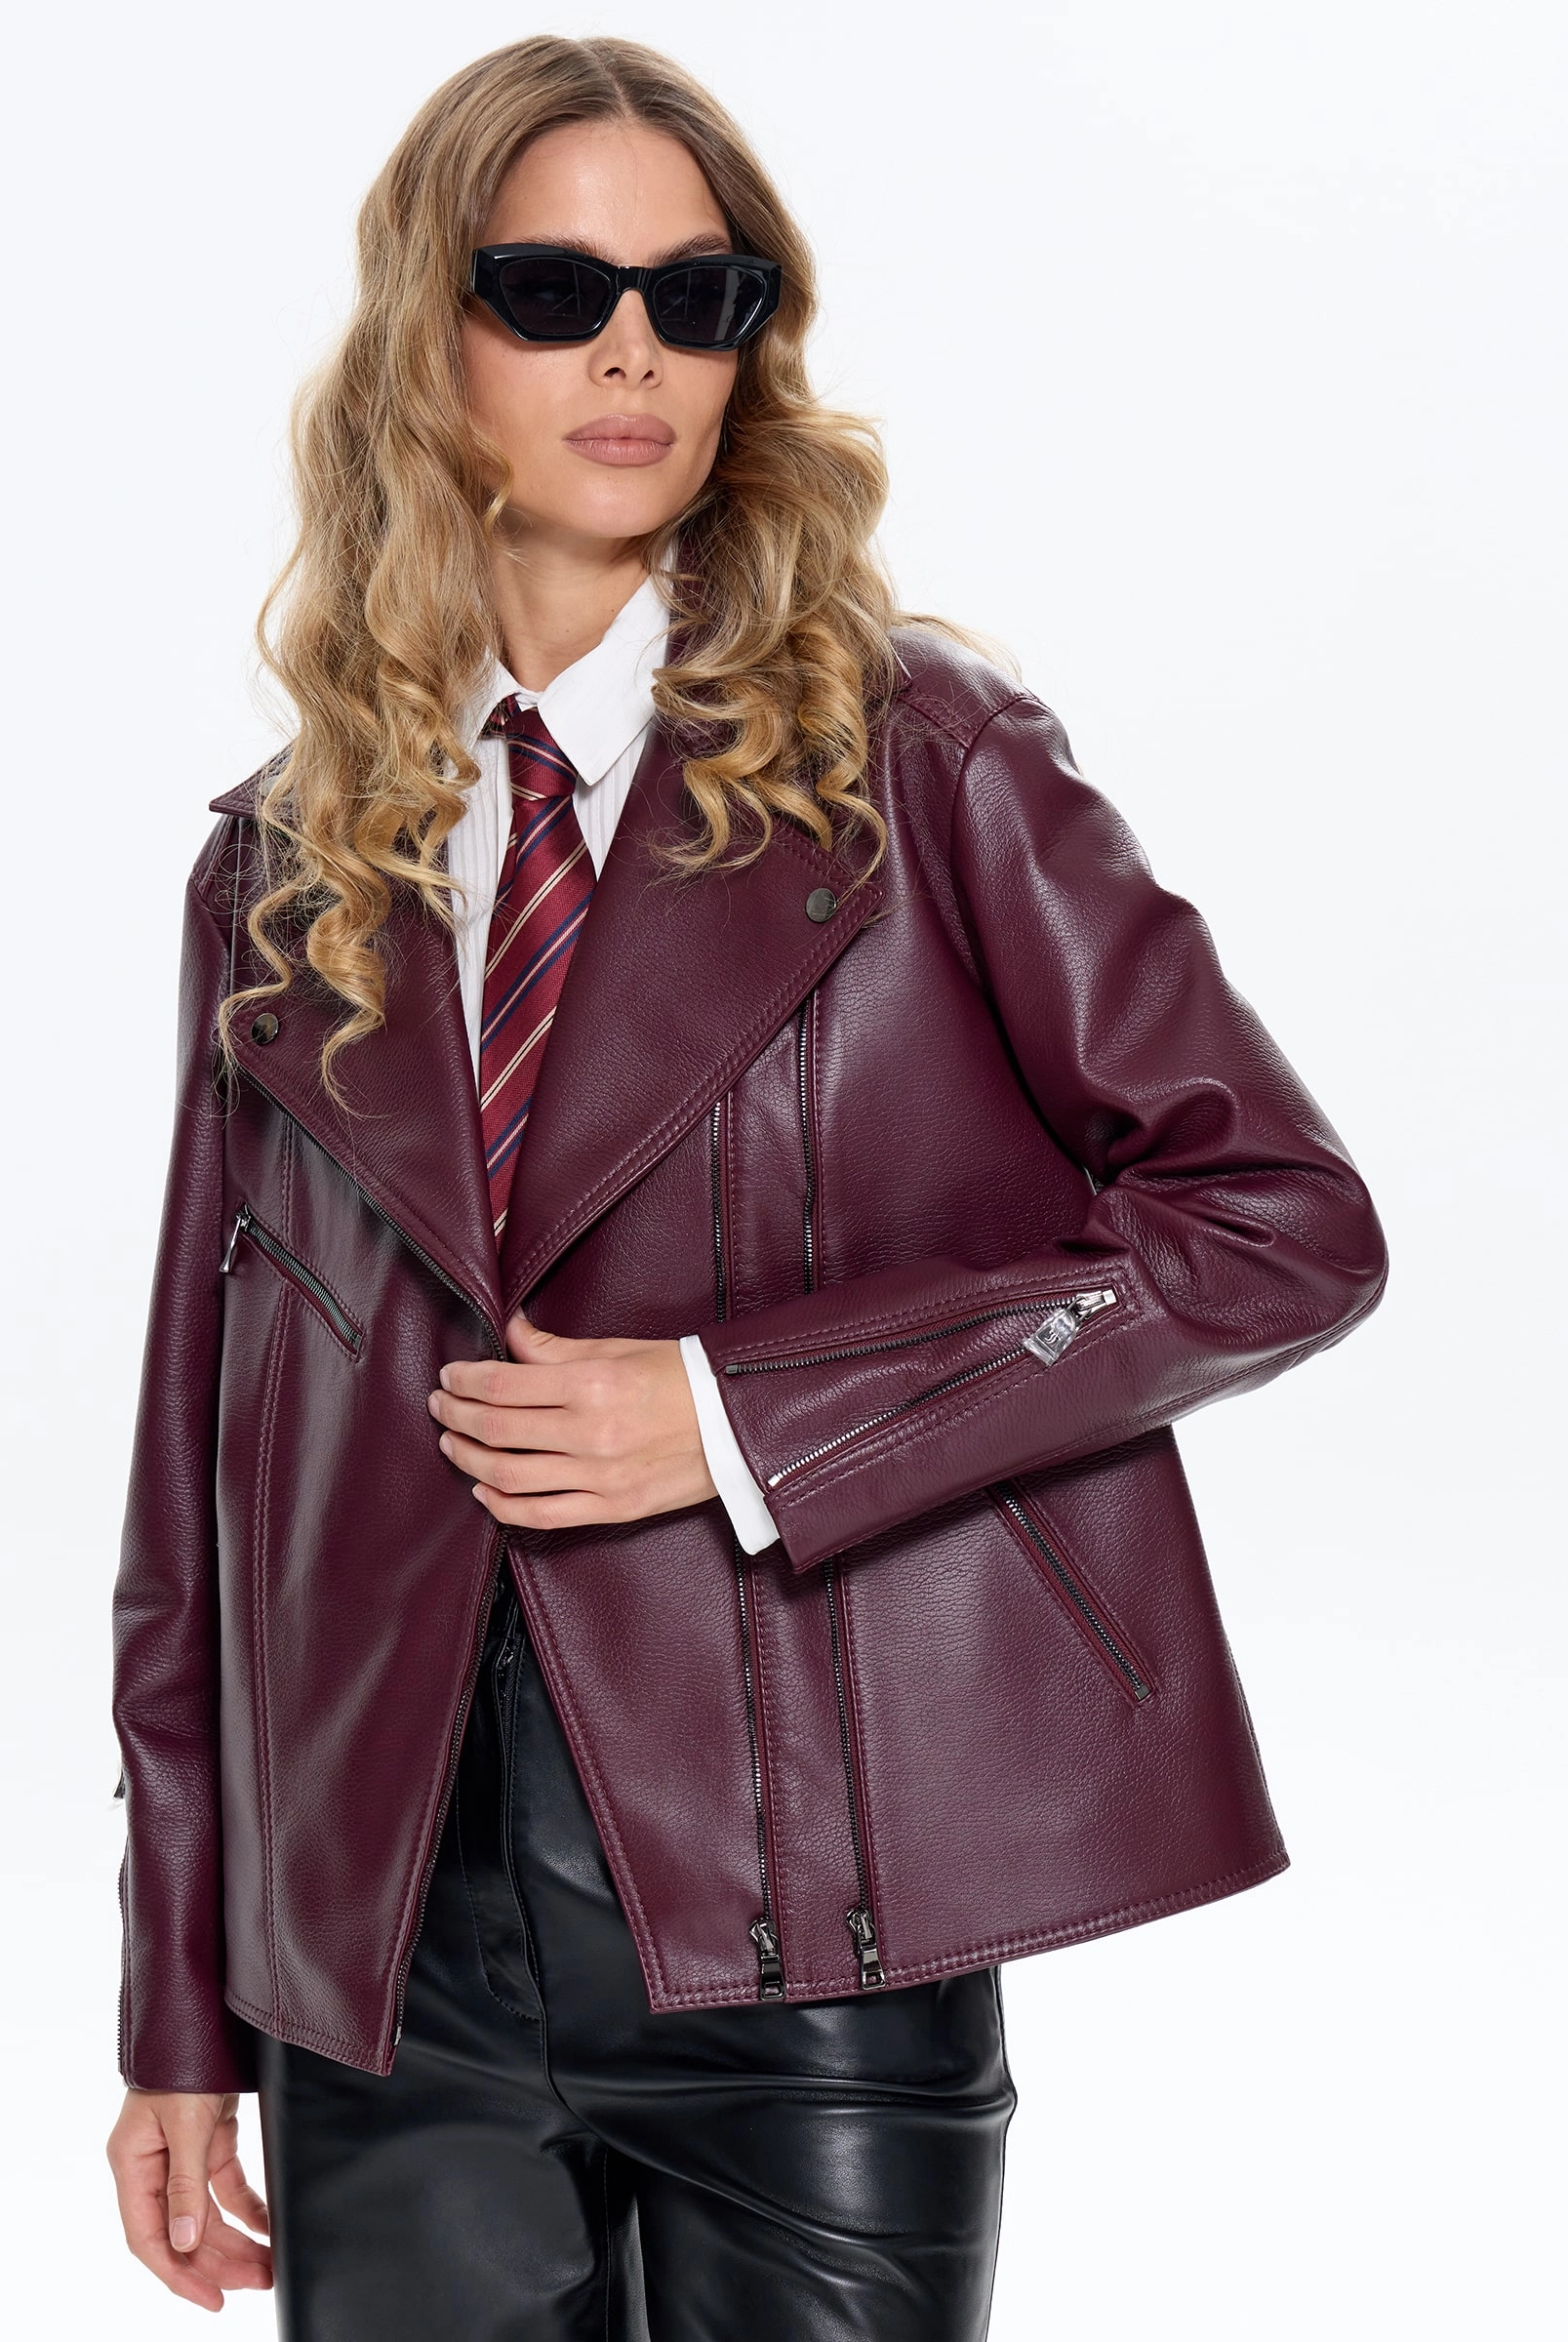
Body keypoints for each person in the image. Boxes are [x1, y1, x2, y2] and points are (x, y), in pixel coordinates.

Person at [104, 32, 1387, 2341]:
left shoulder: (926, 764)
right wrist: (178, 2009)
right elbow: (200, 1489)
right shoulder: (288, 865)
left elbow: (1275, 1224)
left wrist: (732, 1415)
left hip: (810, 1941)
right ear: (427, 339)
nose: (631, 353)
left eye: (694, 299)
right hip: (387, 1986)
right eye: (552, 289)